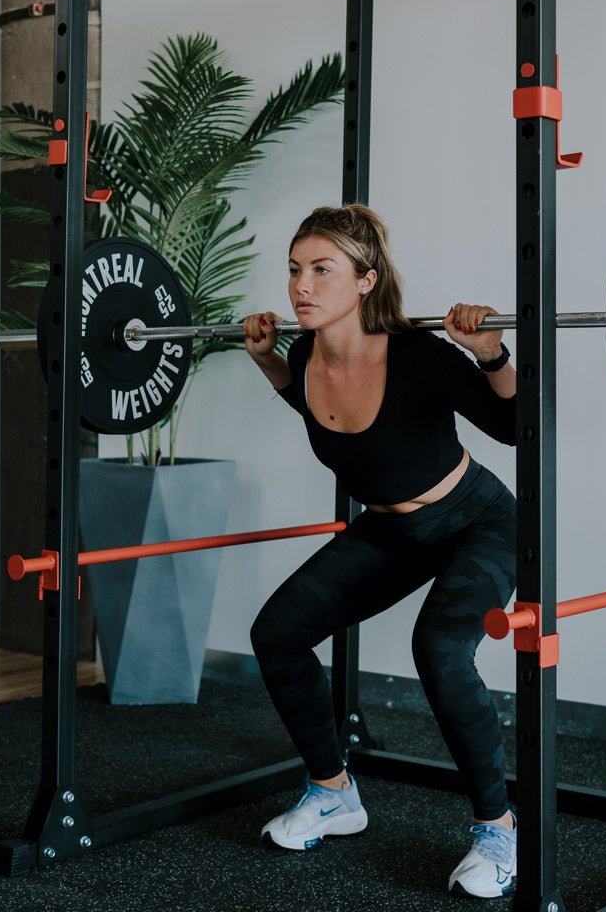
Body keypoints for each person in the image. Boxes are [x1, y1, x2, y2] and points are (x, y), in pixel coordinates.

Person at [243, 204, 519, 899]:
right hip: (390, 531)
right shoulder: (305, 354)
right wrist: (268, 360)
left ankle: (498, 827)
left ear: (366, 280)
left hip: (476, 522)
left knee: (441, 648)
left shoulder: (420, 355)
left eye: (321, 270)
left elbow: (516, 426)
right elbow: (321, 415)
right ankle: (334, 793)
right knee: (277, 633)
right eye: (295, 271)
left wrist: (491, 353)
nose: (301, 286)